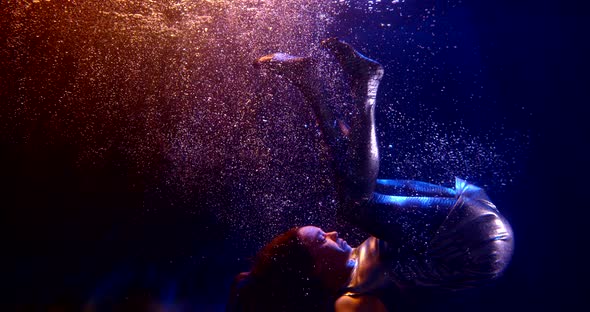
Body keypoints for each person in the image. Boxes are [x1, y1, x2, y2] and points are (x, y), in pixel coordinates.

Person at [227, 38, 514, 312]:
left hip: (468, 222)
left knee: (360, 184)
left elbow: (357, 167)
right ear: (311, 270)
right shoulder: (349, 301)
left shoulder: (356, 259)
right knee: (354, 203)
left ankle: (313, 83)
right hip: (472, 248)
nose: (333, 232)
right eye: (321, 239)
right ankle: (355, 84)